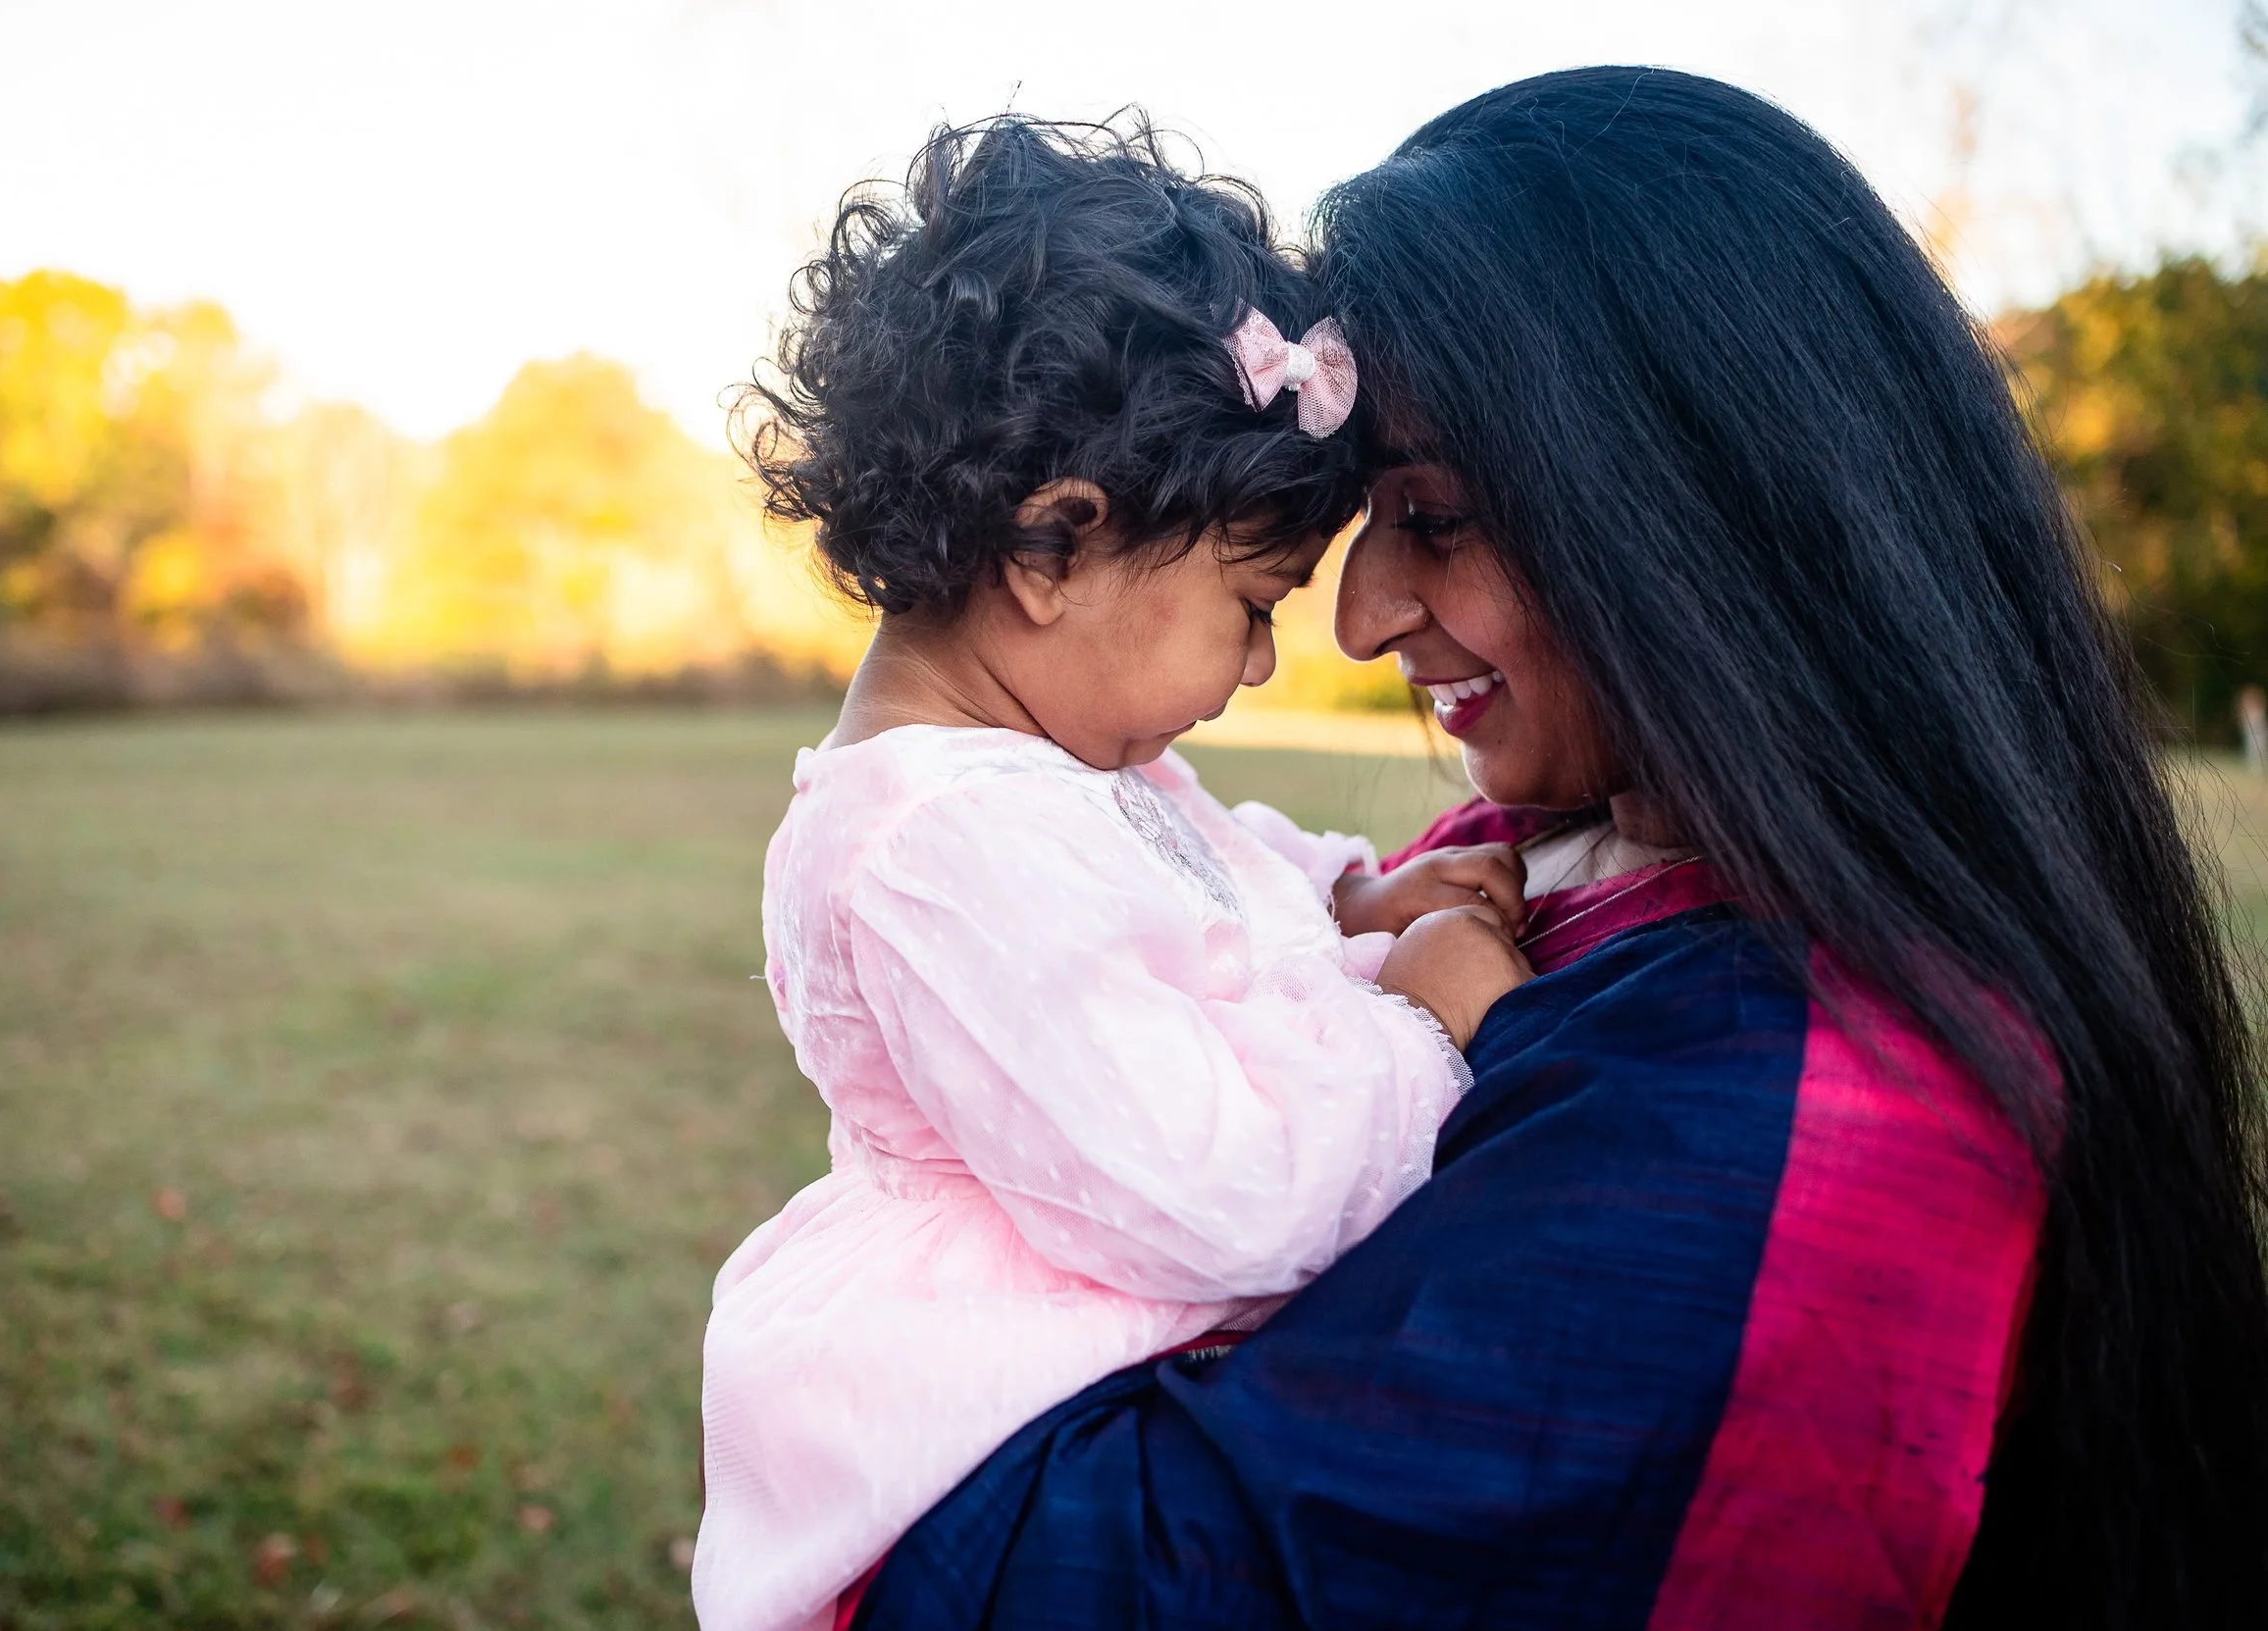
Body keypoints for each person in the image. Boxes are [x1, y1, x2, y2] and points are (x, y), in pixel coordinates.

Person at [850, 69, 2268, 1631]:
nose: (1360, 617)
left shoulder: (1825, 1114)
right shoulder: (1546, 847)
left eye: (1435, 516)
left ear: (1693, 510)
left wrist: (859, 1424)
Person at [694, 118, 1540, 1631]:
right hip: (1002, 1443)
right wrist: (1421, 1026)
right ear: (1052, 548)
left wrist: (1349, 896)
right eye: (1252, 599)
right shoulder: (931, 851)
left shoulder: (1058, 766)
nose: (1273, 654)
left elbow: (1201, 869)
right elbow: (1219, 1190)